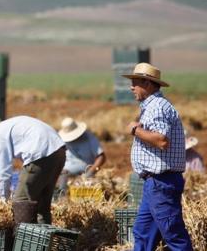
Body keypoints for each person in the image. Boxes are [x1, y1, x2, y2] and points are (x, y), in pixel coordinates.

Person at [122, 63, 193, 251]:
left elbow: (161, 140)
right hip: (154, 183)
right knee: (143, 232)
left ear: (147, 83)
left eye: (135, 82)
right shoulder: (153, 106)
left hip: (162, 182)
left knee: (173, 234)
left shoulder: (157, 107)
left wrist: (135, 129)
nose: (131, 87)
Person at [0, 115, 66, 224]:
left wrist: (2, 202)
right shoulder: (5, 127)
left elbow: (3, 172)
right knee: (42, 205)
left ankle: (22, 239)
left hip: (40, 153)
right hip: (58, 151)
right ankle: (43, 238)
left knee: (21, 202)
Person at [56, 117, 106, 194]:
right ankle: (62, 197)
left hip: (87, 171)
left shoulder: (89, 137)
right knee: (62, 181)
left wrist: (91, 171)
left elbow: (101, 157)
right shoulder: (61, 140)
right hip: (66, 174)